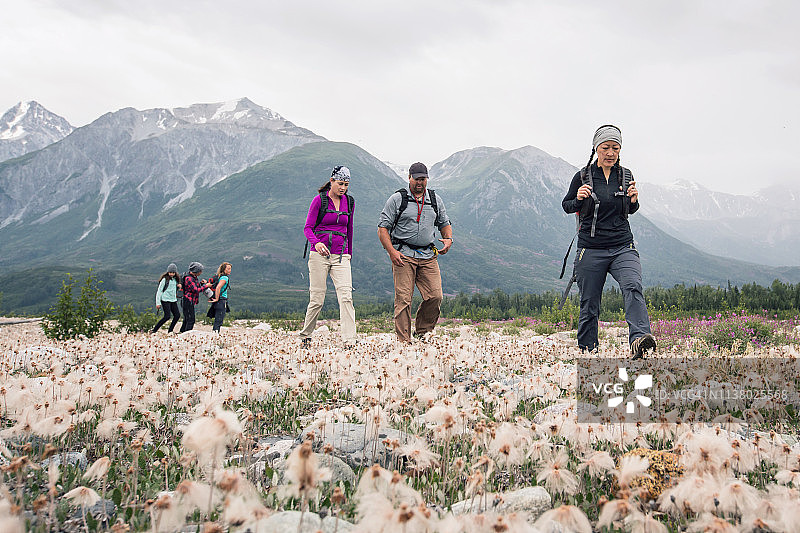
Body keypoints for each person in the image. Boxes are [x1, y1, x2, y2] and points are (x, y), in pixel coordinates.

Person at [561, 124, 656, 358]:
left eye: (615, 148)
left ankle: (639, 340)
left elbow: (630, 210)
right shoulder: (582, 176)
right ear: (596, 148)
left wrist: (634, 200)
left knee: (633, 286)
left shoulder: (626, 176)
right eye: (606, 147)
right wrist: (579, 198)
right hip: (591, 248)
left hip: (623, 246)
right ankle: (587, 351)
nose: (611, 153)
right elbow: (567, 205)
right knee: (589, 302)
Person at [378, 162, 453, 344]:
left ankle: (423, 333)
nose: (420, 182)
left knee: (435, 296)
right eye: (417, 179)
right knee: (404, 299)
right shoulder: (397, 199)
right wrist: (391, 252)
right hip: (403, 255)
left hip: (428, 255)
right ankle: (404, 342)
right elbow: (382, 229)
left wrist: (448, 239)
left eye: (423, 179)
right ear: (409, 178)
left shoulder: (435, 199)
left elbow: (444, 222)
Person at [299, 166, 357, 348]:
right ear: (331, 181)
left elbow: (350, 229)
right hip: (319, 256)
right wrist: (316, 242)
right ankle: (305, 335)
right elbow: (307, 228)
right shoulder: (319, 201)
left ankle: (350, 341)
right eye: (340, 184)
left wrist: (349, 253)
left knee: (346, 296)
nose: (343, 188)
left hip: (341, 255)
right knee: (317, 299)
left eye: (346, 185)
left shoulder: (350, 201)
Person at [179, 262, 212, 333]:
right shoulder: (189, 278)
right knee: (191, 320)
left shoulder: (193, 277)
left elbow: (193, 287)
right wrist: (206, 286)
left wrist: (201, 284)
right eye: (200, 271)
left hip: (187, 300)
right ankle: (187, 335)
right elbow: (195, 290)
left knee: (187, 319)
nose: (201, 272)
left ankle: (182, 333)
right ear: (196, 271)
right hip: (187, 300)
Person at [152, 263, 182, 333]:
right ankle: (154, 330)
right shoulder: (164, 280)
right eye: (170, 272)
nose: (171, 274)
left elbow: (174, 289)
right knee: (167, 316)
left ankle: (170, 331)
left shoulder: (175, 280)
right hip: (165, 300)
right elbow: (159, 291)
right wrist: (158, 303)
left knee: (177, 315)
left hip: (173, 300)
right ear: (168, 272)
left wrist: (179, 287)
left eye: (173, 272)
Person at [208, 262, 231, 333]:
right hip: (221, 300)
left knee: (217, 320)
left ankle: (215, 333)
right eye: (228, 269)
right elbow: (218, 287)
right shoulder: (224, 278)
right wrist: (217, 298)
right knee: (219, 320)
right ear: (224, 269)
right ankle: (215, 335)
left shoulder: (219, 277)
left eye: (230, 269)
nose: (230, 270)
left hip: (218, 301)